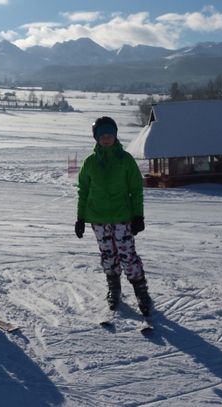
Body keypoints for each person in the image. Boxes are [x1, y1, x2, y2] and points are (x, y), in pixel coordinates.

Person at [74, 116, 151, 317]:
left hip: (122, 216)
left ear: (115, 136)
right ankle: (114, 289)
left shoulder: (125, 160)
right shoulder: (90, 162)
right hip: (98, 218)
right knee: (108, 254)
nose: (106, 139)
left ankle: (141, 291)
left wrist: (138, 216)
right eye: (102, 135)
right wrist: (80, 218)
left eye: (110, 135)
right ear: (96, 138)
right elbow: (83, 190)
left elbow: (136, 190)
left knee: (127, 255)